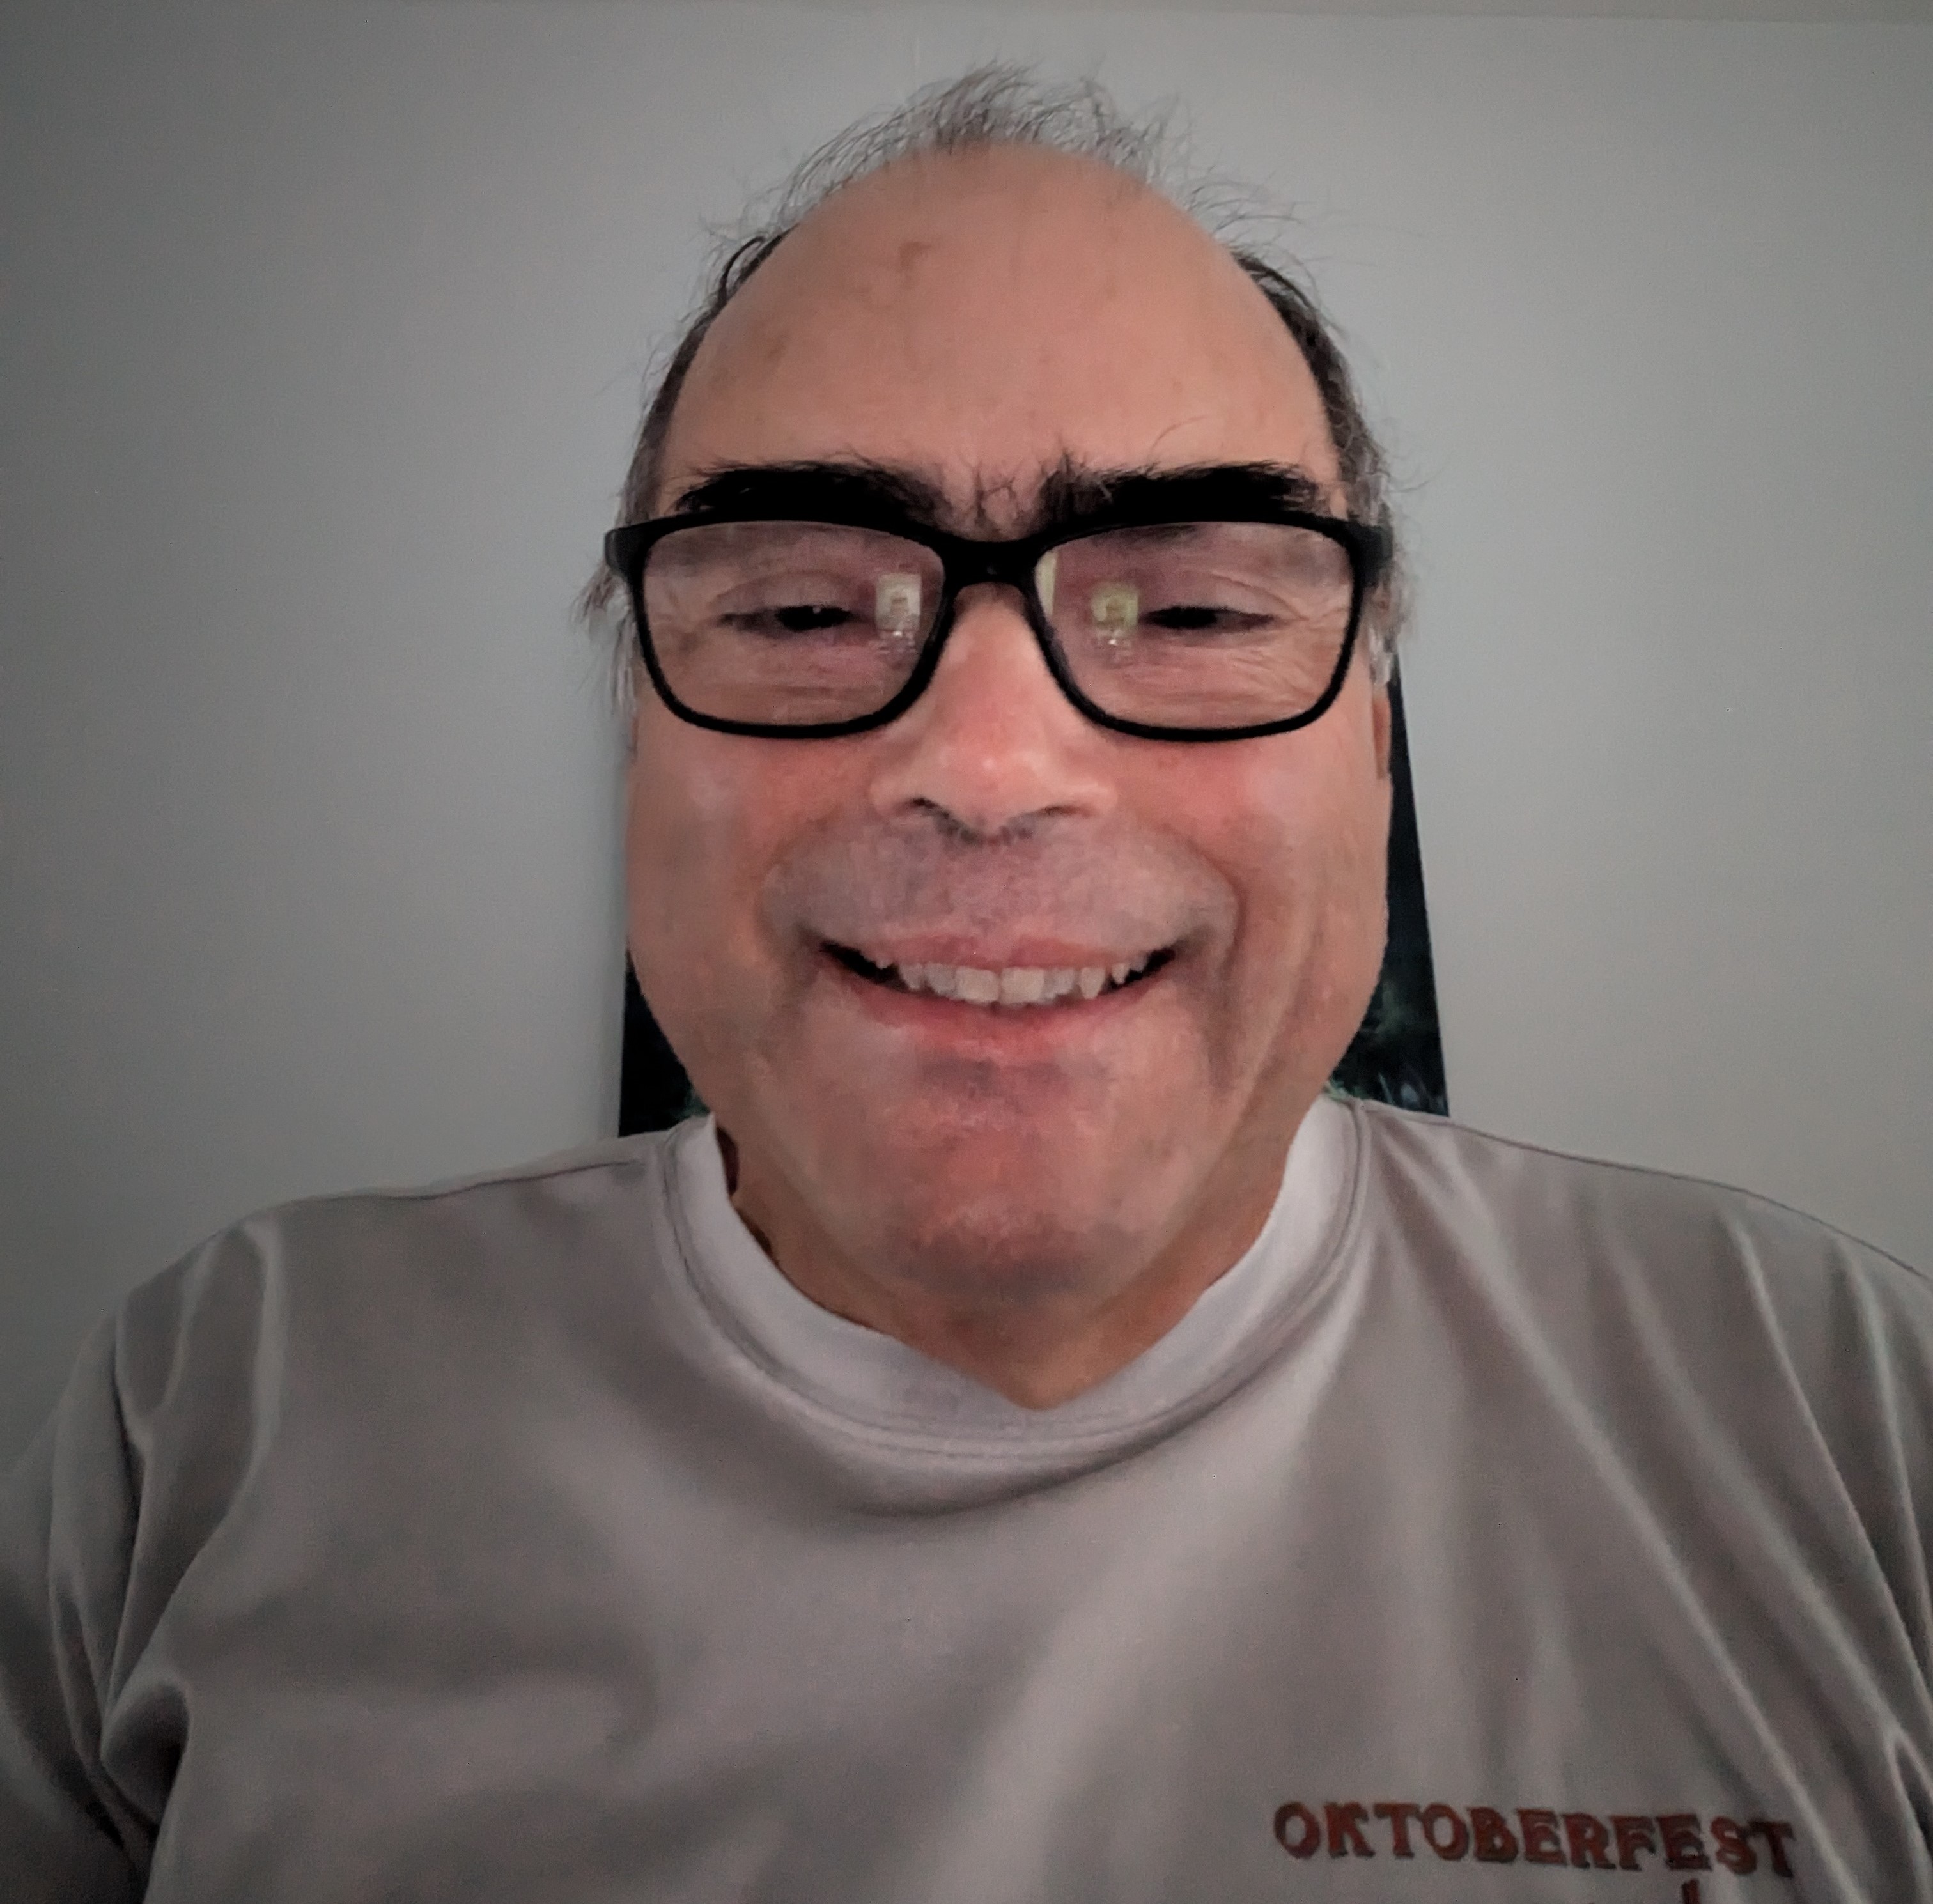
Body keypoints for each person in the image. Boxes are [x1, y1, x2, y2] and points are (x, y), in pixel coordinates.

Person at [3, 65, 1929, 1904]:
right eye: (800, 606)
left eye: (1187, 607)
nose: (990, 765)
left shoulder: (1848, 1430)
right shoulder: (213, 1413)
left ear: (1375, 744)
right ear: (636, 738)